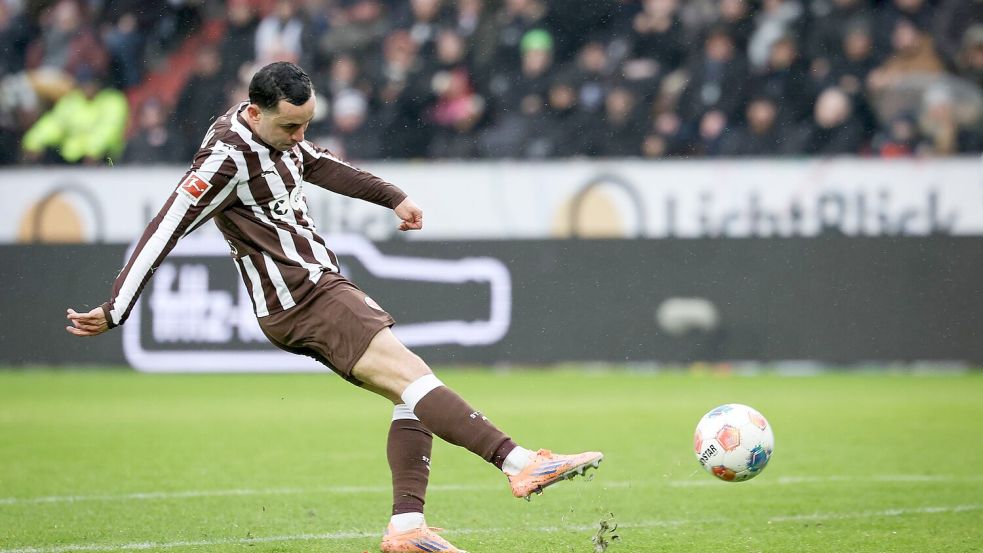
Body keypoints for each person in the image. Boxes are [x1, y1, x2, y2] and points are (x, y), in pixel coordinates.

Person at [64, 61, 602, 553]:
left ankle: (407, 529)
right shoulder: (226, 158)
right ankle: (519, 462)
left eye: (306, 124)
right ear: (255, 113)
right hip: (303, 296)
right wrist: (117, 307)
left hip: (316, 290)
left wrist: (392, 196)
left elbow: (317, 162)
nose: (300, 137)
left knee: (412, 391)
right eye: (291, 127)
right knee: (416, 380)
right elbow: (166, 225)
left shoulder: (277, 133)